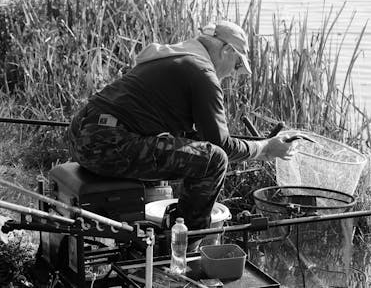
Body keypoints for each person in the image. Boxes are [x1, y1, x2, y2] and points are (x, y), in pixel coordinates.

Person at [67, 20, 295, 240]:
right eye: (237, 64)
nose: (234, 73)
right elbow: (220, 146)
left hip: (80, 135)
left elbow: (197, 138)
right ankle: (186, 246)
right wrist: (264, 147)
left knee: (195, 149)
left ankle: (167, 230)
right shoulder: (203, 73)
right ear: (226, 50)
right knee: (214, 161)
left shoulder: (173, 56)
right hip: (106, 144)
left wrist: (257, 148)